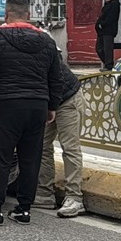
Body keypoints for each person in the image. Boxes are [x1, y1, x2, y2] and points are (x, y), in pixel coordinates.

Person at [0, 0, 63, 226]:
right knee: (31, 159)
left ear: (6, 15)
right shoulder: (47, 40)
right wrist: (52, 106)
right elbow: (55, 76)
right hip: (37, 105)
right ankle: (23, 209)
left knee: (1, 159)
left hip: (7, 104)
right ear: (28, 15)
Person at [35, 59, 86, 218]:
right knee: (41, 145)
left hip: (67, 98)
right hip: (47, 101)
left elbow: (56, 78)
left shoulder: (42, 49)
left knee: (69, 147)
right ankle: (44, 193)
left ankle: (75, 198)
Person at [95, 0, 121, 71]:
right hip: (102, 31)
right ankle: (108, 64)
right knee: (99, 48)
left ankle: (109, 66)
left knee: (107, 49)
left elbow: (111, 18)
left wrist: (102, 23)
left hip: (109, 31)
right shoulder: (106, 6)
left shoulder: (114, 5)